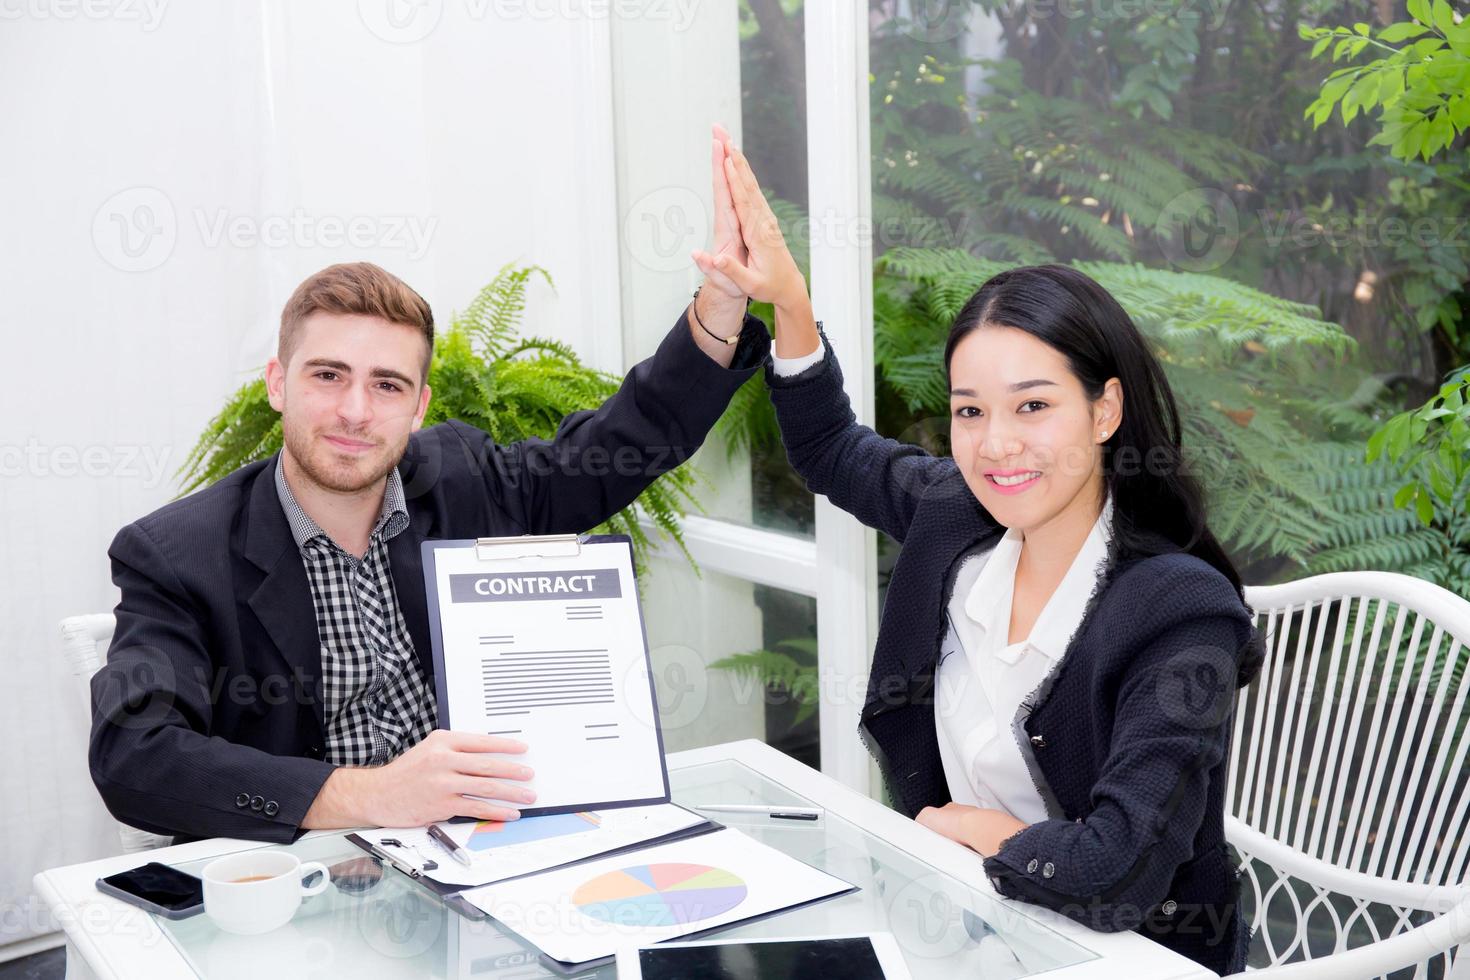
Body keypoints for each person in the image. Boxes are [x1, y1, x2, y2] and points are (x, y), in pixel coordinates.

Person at [90, 130, 768, 844]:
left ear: (418, 407)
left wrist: (722, 300)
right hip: (306, 890)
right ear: (276, 384)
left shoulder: (465, 479)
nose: (355, 411)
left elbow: (622, 444)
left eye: (386, 385)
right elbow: (136, 754)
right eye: (327, 375)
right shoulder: (177, 555)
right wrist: (369, 795)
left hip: (479, 856)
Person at [699, 138, 1264, 974]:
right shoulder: (956, 517)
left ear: (1105, 411)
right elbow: (828, 448)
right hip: (961, 925)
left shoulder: (1182, 612)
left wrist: (971, 830)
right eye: (970, 412)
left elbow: (1119, 870)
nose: (998, 446)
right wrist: (788, 302)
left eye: (1033, 405)